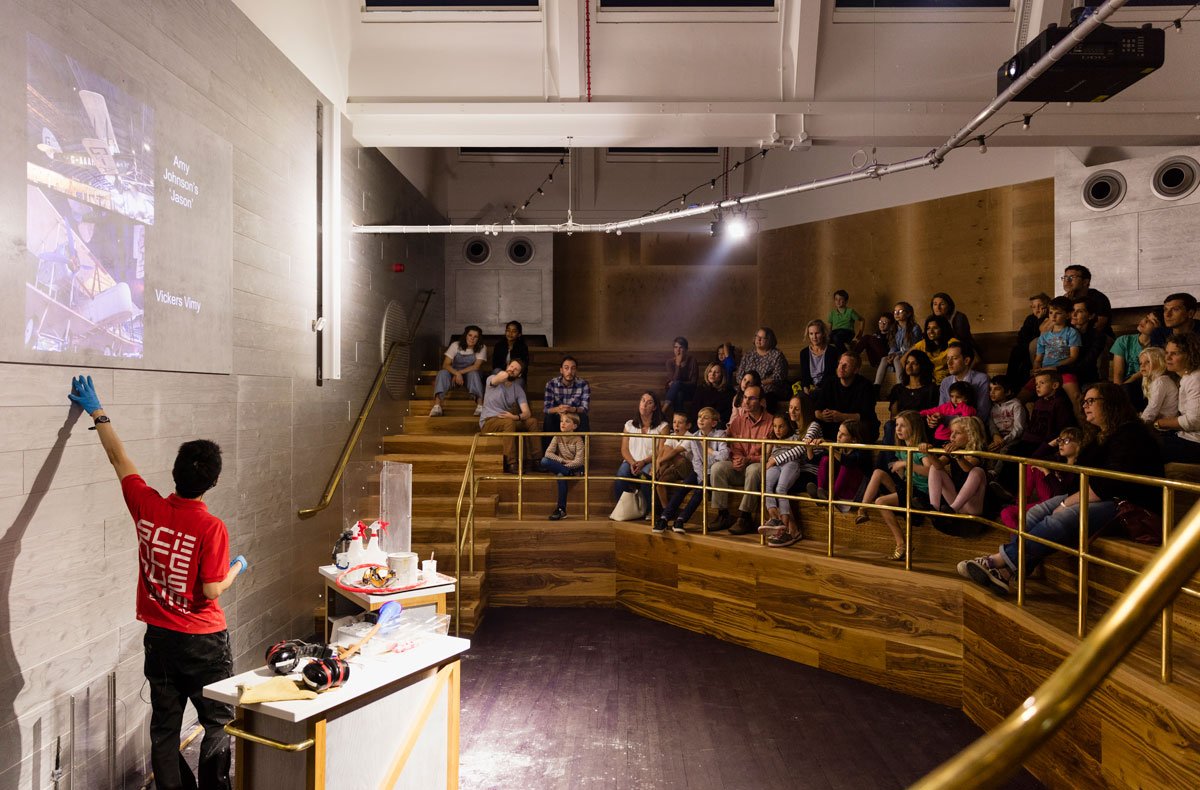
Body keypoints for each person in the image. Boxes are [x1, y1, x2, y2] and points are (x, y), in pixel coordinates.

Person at [68, 375, 246, 790]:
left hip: (160, 638)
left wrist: (97, 410)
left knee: (165, 728)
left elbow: (118, 459)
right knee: (217, 722)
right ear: (213, 482)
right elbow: (211, 590)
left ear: (174, 472)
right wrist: (237, 568)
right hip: (204, 641)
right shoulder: (211, 527)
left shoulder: (146, 506)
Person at [959, 383, 1164, 596]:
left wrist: (1066, 503)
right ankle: (1008, 572)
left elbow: (1109, 484)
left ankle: (997, 561)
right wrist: (1067, 499)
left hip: (1129, 506)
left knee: (1062, 517)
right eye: (1084, 402)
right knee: (1033, 513)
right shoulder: (1098, 436)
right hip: (1101, 496)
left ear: (1111, 403)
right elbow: (1078, 480)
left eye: (1091, 401)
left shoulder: (1131, 434)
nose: (1085, 406)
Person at [855, 410, 933, 561]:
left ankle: (901, 544)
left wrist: (906, 464)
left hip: (920, 493)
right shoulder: (902, 448)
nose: (898, 429)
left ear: (914, 428)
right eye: (897, 425)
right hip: (908, 487)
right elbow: (905, 476)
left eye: (903, 425)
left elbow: (930, 471)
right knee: (878, 472)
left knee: (880, 502)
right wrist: (900, 470)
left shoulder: (920, 448)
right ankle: (862, 509)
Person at [998, 427, 1090, 532]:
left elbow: (1062, 493)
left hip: (1059, 505)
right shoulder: (1059, 460)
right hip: (1046, 501)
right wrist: (1052, 443)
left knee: (1009, 513)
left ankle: (1022, 537)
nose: (1060, 444)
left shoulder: (1079, 467)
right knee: (1033, 465)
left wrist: (1047, 472)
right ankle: (1021, 513)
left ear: (1078, 444)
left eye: (1066, 441)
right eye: (1059, 440)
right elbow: (1033, 459)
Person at [710, 384, 772, 534]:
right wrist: (737, 458)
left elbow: (769, 455)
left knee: (753, 469)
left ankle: (745, 517)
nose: (746, 401)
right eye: (745, 397)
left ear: (762, 402)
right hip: (740, 466)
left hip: (759, 466)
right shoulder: (738, 420)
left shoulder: (771, 422)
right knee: (717, 468)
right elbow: (734, 446)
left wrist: (748, 459)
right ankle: (723, 514)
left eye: (752, 398)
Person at [660, 406, 728, 532]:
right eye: (699, 417)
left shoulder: (720, 434)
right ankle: (664, 518)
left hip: (713, 471)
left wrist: (709, 450)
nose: (701, 419)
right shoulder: (695, 436)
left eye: (705, 417)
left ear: (713, 423)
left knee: (699, 491)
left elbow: (724, 456)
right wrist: (701, 477)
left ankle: (681, 520)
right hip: (699, 471)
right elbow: (696, 460)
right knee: (683, 487)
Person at [614, 392, 670, 518]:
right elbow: (624, 449)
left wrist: (644, 462)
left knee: (645, 476)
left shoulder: (663, 426)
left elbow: (661, 451)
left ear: (654, 407)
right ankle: (623, 509)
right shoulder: (629, 424)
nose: (644, 404)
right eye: (643, 400)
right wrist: (633, 463)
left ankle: (651, 510)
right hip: (631, 461)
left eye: (649, 402)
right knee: (621, 475)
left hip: (650, 461)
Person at [480, 359, 540, 473]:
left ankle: (537, 460)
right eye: (511, 366)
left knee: (532, 422)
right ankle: (511, 463)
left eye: (516, 369)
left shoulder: (518, 389)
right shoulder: (492, 379)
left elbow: (527, 413)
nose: (512, 370)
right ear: (507, 366)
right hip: (489, 421)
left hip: (508, 420)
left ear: (519, 375)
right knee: (509, 422)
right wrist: (508, 372)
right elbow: (500, 377)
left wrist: (515, 417)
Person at [926, 416, 989, 516]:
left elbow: (968, 468)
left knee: (977, 471)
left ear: (970, 435)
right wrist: (929, 453)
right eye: (952, 432)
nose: (952, 436)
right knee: (934, 468)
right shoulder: (954, 448)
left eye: (958, 433)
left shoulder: (979, 449)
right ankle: (934, 508)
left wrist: (958, 456)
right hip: (955, 501)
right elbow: (938, 465)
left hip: (973, 506)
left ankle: (953, 508)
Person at [758, 414, 807, 542]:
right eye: (775, 426)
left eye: (781, 426)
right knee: (765, 484)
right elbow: (765, 461)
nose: (777, 430)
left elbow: (801, 454)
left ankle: (784, 525)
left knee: (780, 488)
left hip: (790, 464)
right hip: (775, 465)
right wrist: (768, 447)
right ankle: (774, 518)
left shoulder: (795, 437)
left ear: (788, 426)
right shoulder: (774, 440)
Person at [1025, 296, 1082, 407]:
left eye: (1058, 313)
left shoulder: (1072, 333)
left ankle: (1081, 418)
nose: (1053, 316)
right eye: (1051, 313)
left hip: (1064, 371)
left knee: (1076, 399)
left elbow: (1073, 357)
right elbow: (1038, 359)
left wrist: (1055, 366)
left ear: (1068, 315)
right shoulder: (1044, 336)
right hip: (1045, 373)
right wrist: (1036, 369)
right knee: (1020, 398)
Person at [1152, 333, 1200, 463]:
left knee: (1146, 446)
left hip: (1196, 441)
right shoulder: (1188, 377)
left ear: (1190, 355)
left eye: (1174, 353)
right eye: (1167, 352)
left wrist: (1158, 423)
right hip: (1189, 435)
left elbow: (1193, 421)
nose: (1167, 357)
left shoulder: (1196, 379)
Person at [807, 419, 873, 513]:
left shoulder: (861, 451)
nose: (839, 435)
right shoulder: (838, 447)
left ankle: (828, 497)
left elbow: (848, 461)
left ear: (853, 439)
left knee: (845, 465)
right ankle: (821, 492)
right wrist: (809, 448)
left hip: (856, 493)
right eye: (839, 431)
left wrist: (829, 447)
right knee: (825, 459)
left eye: (843, 434)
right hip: (841, 490)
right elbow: (814, 460)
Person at [812, 352, 880, 442]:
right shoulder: (829, 382)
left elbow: (865, 416)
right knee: (815, 423)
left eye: (846, 365)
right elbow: (817, 410)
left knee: (865, 425)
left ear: (855, 370)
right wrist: (823, 416)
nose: (841, 367)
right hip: (833, 425)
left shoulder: (866, 386)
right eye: (840, 363)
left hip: (856, 427)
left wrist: (842, 416)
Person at [1011, 370, 1077, 459]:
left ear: (1055, 385)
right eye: (1036, 384)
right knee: (1011, 453)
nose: (1037, 386)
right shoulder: (1038, 402)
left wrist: (1046, 446)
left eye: (1042, 383)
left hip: (1045, 443)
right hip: (1029, 440)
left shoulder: (1060, 403)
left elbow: (1061, 430)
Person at [651, 412, 699, 533]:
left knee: (676, 456)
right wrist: (657, 465)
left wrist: (659, 463)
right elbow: (664, 451)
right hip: (676, 468)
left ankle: (657, 472)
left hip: (690, 469)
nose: (676, 425)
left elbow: (675, 452)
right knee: (660, 483)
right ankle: (666, 513)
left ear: (688, 426)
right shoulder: (672, 436)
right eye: (674, 422)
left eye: (680, 423)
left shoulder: (691, 437)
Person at [431, 325, 487, 417]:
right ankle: (437, 406)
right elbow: (445, 364)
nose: (472, 338)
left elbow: (476, 366)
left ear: (478, 339)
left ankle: (480, 405)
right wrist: (456, 373)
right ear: (465, 335)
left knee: (474, 373)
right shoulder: (455, 345)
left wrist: (459, 373)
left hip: (470, 375)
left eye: (475, 337)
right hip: (454, 372)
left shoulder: (482, 347)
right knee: (442, 373)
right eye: (470, 335)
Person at [540, 412, 585, 521]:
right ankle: (568, 473)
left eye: (567, 421)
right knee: (544, 461)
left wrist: (567, 466)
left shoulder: (578, 439)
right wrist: (562, 461)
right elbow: (548, 453)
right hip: (563, 466)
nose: (563, 424)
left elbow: (579, 461)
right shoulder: (557, 436)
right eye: (561, 421)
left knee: (561, 475)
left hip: (575, 467)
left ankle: (561, 509)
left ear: (574, 426)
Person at [1111, 310, 1160, 409]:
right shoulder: (1123, 341)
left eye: (1152, 321)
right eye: (1146, 317)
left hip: (1149, 388)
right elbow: (1118, 374)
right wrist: (1118, 393)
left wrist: (1129, 382)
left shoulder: (1158, 348)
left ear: (1159, 328)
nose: (1144, 321)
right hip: (1125, 387)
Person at [542, 355, 590, 451]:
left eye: (573, 368)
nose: (569, 371)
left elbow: (585, 408)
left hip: (574, 415)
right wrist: (558, 409)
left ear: (576, 370)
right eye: (566, 368)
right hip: (558, 415)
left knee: (584, 417)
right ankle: (548, 454)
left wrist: (573, 409)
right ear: (561, 370)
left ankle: (583, 455)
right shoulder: (551, 384)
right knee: (548, 418)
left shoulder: (583, 384)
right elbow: (547, 409)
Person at [734, 327, 789, 409]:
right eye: (757, 336)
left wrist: (758, 384)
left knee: (767, 397)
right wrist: (746, 384)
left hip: (767, 389)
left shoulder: (777, 355)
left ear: (769, 340)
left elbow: (779, 376)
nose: (758, 339)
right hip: (747, 387)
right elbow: (739, 376)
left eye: (762, 338)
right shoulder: (748, 355)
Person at [937, 343, 991, 425]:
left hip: (972, 428)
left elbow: (982, 413)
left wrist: (947, 420)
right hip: (948, 428)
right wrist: (936, 418)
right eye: (948, 359)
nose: (949, 363)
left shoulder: (981, 379)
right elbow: (942, 410)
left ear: (966, 361)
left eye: (954, 358)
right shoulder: (945, 382)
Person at [876, 302, 925, 389]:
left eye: (900, 311)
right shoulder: (894, 328)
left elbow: (911, 347)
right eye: (895, 312)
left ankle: (900, 385)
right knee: (884, 359)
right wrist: (891, 354)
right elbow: (893, 346)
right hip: (898, 354)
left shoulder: (915, 328)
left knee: (897, 359)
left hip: (911, 353)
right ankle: (876, 386)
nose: (897, 314)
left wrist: (896, 354)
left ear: (908, 314)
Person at [1006, 292, 1051, 385]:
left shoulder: (1050, 318)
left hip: (1044, 348)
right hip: (1028, 347)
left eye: (1040, 306)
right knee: (1017, 350)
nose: (1037, 309)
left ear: (1047, 306)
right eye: (1034, 307)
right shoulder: (1030, 318)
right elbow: (1021, 337)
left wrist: (1040, 319)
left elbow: (1043, 337)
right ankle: (1009, 383)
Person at [1060, 264, 1112, 337]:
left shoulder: (1099, 298)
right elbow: (1050, 328)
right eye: (1065, 277)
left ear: (1085, 282)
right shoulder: (1066, 299)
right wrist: (1063, 304)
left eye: (1072, 277)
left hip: (1095, 340)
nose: (1067, 281)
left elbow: (1098, 327)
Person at [986, 375, 1028, 459]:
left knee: (1005, 451)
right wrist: (995, 436)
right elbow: (992, 424)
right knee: (988, 450)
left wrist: (1004, 441)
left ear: (1008, 392)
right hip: (998, 438)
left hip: (1015, 438)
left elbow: (1019, 428)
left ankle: (997, 469)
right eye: (990, 389)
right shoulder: (992, 407)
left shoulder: (1016, 405)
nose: (992, 392)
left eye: (997, 389)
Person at [911, 315, 958, 384]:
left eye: (935, 328)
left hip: (949, 383)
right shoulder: (923, 344)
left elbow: (972, 359)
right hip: (929, 384)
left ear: (943, 329)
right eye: (928, 328)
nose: (931, 331)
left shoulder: (952, 343)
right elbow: (903, 360)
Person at [1138, 347, 1179, 425]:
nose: (1142, 366)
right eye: (1140, 363)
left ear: (1159, 363)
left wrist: (1139, 424)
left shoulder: (1160, 382)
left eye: (1148, 362)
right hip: (1160, 422)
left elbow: (1152, 409)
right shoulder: (1158, 381)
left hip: (1166, 425)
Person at [796, 319, 837, 395]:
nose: (814, 337)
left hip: (827, 387)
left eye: (817, 333)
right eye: (811, 334)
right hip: (810, 387)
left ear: (823, 333)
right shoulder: (804, 353)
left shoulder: (832, 351)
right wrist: (806, 387)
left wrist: (818, 388)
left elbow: (830, 375)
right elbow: (805, 375)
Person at [931, 292, 976, 359]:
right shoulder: (932, 319)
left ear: (949, 306)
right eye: (935, 304)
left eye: (942, 304)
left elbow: (960, 341)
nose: (938, 307)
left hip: (961, 351)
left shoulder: (959, 317)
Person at [663, 336, 698, 416]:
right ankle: (679, 419)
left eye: (681, 347)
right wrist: (678, 365)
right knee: (679, 393)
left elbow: (693, 382)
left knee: (677, 384)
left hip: (689, 391)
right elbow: (673, 380)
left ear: (686, 349)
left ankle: (663, 410)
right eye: (675, 347)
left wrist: (677, 383)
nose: (678, 350)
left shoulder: (692, 361)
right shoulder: (670, 362)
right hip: (674, 392)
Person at [693, 362, 734, 427]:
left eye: (716, 372)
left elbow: (726, 415)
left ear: (722, 375)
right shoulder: (701, 389)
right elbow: (695, 410)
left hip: (719, 425)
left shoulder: (729, 392)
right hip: (701, 424)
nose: (712, 374)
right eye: (710, 371)